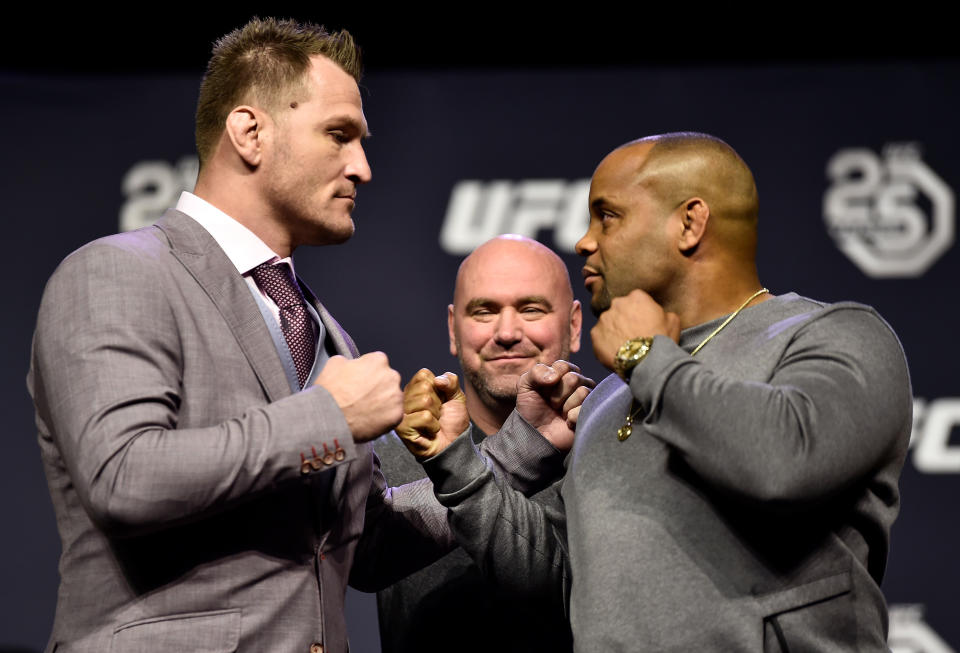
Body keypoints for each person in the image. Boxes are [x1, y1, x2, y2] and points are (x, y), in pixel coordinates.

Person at [27, 18, 583, 653]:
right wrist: (327, 417)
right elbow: (122, 477)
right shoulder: (118, 273)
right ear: (249, 132)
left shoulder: (322, 331)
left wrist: (521, 451)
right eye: (339, 135)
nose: (364, 167)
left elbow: (367, 547)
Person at [399, 132, 913, 651]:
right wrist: (455, 463)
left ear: (689, 224)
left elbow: (785, 462)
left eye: (608, 216)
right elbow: (558, 575)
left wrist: (648, 359)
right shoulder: (609, 398)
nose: (583, 241)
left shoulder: (834, 336)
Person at [375, 235, 582, 652]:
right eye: (484, 311)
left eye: (531, 309)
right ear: (453, 329)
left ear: (574, 325)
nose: (506, 332)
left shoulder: (610, 452)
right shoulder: (391, 456)